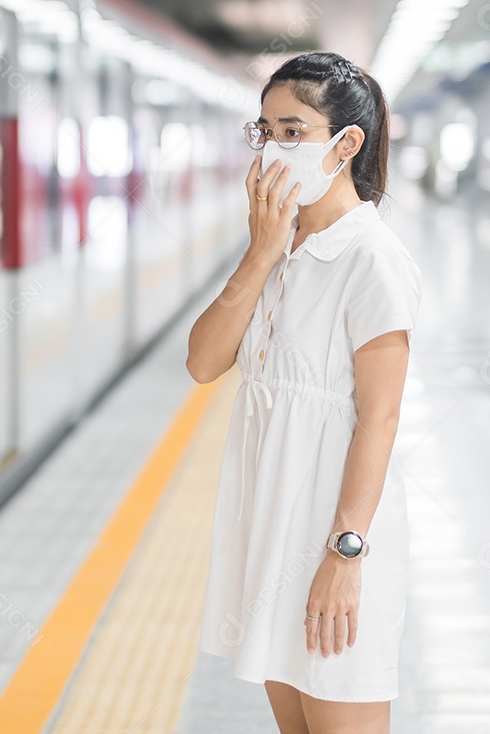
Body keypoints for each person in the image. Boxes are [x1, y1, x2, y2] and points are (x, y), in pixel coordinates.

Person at [186, 51, 422, 734]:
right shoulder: (281, 251)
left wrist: (344, 556)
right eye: (264, 132)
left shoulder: (371, 258)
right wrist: (261, 252)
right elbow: (204, 362)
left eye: (293, 131)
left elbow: (380, 418)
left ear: (346, 144)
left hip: (333, 546)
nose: (273, 149)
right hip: (270, 537)